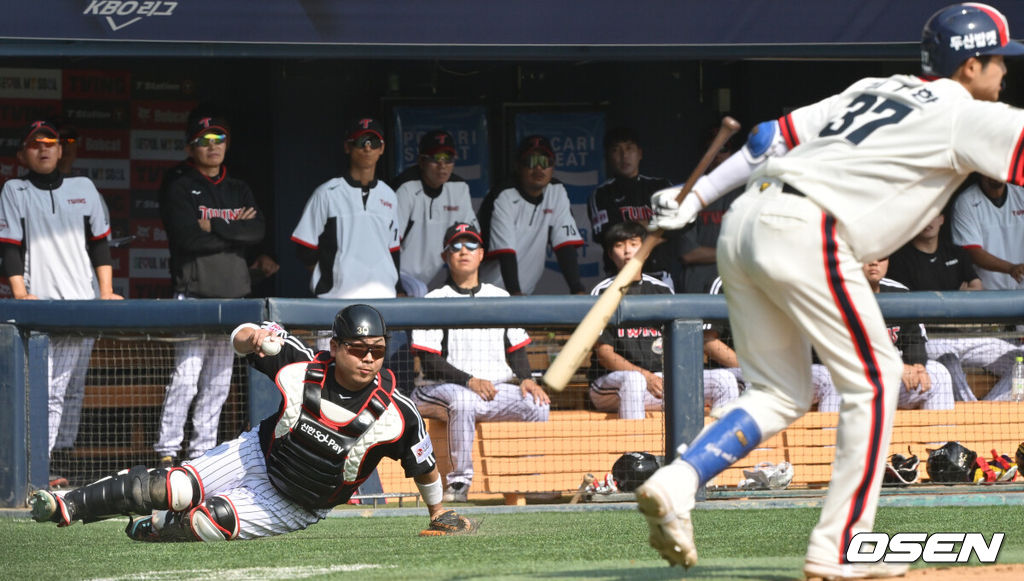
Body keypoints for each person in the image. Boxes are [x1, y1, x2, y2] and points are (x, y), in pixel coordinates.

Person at [637, 4, 1024, 578]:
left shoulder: (876, 87)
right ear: (969, 65)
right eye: (997, 60)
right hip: (810, 229)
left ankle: (678, 479)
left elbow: (771, 136)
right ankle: (840, 545)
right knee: (876, 379)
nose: (1005, 72)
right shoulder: (967, 112)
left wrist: (694, 200)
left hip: (745, 221)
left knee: (778, 393)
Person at [29, 305, 473, 541]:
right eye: (358, 349)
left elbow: (423, 465)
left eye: (377, 349)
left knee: (208, 521)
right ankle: (67, 505)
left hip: (299, 503)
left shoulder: (396, 413)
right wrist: (254, 335)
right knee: (174, 486)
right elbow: (239, 339)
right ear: (335, 346)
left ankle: (157, 527)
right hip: (255, 455)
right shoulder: (300, 364)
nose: (370, 358)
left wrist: (440, 511)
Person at [0, 120, 123, 488]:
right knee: (47, 391)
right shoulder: (14, 188)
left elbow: (99, 241)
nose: (44, 149)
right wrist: (20, 294)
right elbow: (9, 245)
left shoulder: (82, 187)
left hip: (81, 302)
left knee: (70, 388)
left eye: (51, 143)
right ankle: (38, 466)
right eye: (36, 144)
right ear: (23, 153)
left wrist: (105, 292)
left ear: (60, 150)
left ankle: (57, 459)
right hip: (43, 304)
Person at [156, 113, 272, 467]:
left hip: (234, 297)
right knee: (186, 378)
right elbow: (186, 238)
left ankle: (199, 455)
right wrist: (233, 226)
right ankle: (167, 451)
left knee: (219, 384)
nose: (213, 146)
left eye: (218, 138)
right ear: (192, 145)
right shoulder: (179, 185)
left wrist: (215, 225)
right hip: (194, 295)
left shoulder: (238, 187)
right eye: (205, 140)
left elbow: (257, 232)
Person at [410, 223, 550, 501]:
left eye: (471, 245)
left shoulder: (500, 297)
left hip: (491, 391)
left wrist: (526, 379)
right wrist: (470, 381)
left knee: (537, 404)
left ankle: (532, 479)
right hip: (437, 388)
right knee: (462, 401)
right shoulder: (435, 299)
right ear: (445, 256)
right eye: (456, 246)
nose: (464, 251)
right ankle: (459, 482)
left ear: (482, 254)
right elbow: (429, 361)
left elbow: (516, 348)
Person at [589, 222, 739, 419]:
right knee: (634, 381)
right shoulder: (600, 292)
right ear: (610, 254)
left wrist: (673, 377)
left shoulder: (663, 290)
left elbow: (678, 346)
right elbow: (604, 354)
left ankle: (717, 446)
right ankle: (636, 448)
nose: (627, 251)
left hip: (659, 383)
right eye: (619, 245)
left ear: (646, 251)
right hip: (612, 384)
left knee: (724, 379)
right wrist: (645, 376)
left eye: (634, 244)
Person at [888, 214, 1023, 401]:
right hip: (933, 338)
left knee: (1019, 358)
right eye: (922, 216)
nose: (928, 222)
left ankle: (986, 411)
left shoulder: (955, 252)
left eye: (933, 216)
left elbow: (977, 288)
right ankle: (972, 416)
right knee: (948, 361)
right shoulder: (900, 259)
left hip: (967, 335)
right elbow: (904, 300)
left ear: (942, 219)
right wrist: (959, 293)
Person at [814, 258, 955, 412]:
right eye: (868, 256)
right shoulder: (834, 294)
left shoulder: (900, 294)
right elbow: (832, 353)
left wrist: (917, 366)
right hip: (851, 379)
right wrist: (894, 367)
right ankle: (832, 436)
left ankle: (942, 436)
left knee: (938, 373)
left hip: (888, 380)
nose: (874, 262)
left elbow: (915, 340)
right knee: (836, 379)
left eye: (881, 257)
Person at [292, 117, 401, 300]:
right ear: (347, 147)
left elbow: (394, 249)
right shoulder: (327, 192)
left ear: (382, 149)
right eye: (360, 142)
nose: (367, 148)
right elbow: (305, 247)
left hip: (384, 295)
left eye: (373, 143)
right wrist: (330, 279)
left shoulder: (389, 195)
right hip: (337, 297)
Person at [478, 135, 585, 295]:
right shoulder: (504, 194)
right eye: (531, 162)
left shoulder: (556, 191)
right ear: (518, 166)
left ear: (553, 166)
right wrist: (515, 293)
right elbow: (506, 252)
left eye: (545, 162)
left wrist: (577, 289)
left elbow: (565, 245)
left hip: (524, 292)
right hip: (487, 291)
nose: (539, 168)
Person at [391, 129, 478, 297]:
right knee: (419, 291)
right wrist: (397, 287)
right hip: (394, 271)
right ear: (421, 161)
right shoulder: (406, 188)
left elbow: (469, 238)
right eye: (436, 158)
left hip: (423, 277)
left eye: (448, 159)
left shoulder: (459, 188)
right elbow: (390, 244)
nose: (442, 165)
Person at [587, 127, 676, 287]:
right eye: (616, 150)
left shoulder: (661, 186)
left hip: (660, 276)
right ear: (608, 156)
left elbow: (678, 228)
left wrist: (633, 225)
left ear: (640, 153)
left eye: (629, 148)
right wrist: (654, 226)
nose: (624, 156)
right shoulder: (602, 194)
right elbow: (610, 234)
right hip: (619, 277)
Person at [675, 132, 744, 294]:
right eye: (711, 150)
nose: (718, 155)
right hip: (699, 287)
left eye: (723, 149)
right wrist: (738, 253)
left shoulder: (750, 191)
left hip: (740, 285)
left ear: (733, 153)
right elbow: (688, 253)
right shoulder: (690, 195)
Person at [951, 174, 1024, 290]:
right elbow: (972, 252)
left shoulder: (1021, 195)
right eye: (989, 168)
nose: (994, 173)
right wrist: (1011, 268)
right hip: (987, 295)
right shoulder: (966, 201)